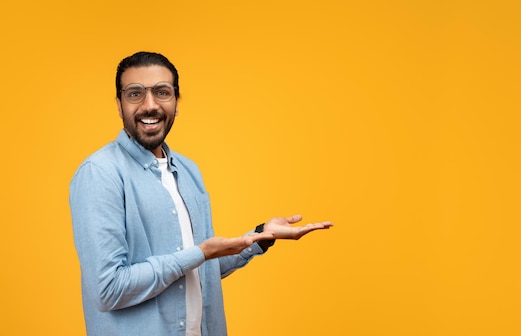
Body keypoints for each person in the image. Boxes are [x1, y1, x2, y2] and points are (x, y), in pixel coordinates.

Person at [70, 51, 333, 336]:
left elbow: (199, 270)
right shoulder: (100, 173)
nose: (150, 105)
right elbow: (108, 289)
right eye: (135, 94)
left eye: (162, 92)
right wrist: (199, 253)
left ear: (176, 102)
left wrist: (260, 236)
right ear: (119, 105)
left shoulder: (188, 170)